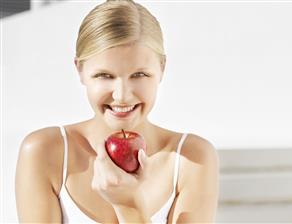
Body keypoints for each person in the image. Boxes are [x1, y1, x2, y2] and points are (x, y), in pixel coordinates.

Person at [15, 0, 219, 223]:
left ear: (162, 69)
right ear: (80, 70)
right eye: (104, 75)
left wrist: (129, 204)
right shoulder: (45, 152)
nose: (122, 95)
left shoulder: (192, 158)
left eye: (139, 75)